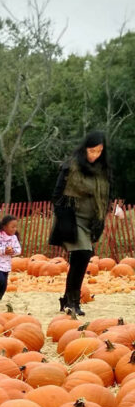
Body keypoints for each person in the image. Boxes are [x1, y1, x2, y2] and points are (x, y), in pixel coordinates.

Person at [49, 131, 121, 316]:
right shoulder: (71, 167)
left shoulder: (103, 171)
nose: (95, 155)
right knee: (83, 253)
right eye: (92, 150)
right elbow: (57, 195)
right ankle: (73, 302)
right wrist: (62, 217)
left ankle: (68, 300)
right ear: (84, 149)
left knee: (81, 260)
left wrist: (112, 208)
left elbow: (107, 195)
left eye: (99, 151)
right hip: (73, 219)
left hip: (91, 221)